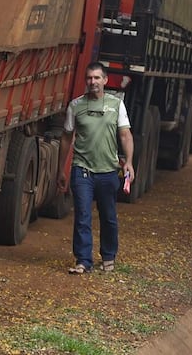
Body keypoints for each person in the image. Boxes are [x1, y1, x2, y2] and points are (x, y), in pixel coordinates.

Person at [58, 62, 135, 275]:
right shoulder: (76, 106)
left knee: (108, 216)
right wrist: (61, 168)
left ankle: (108, 256)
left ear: (105, 80)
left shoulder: (116, 104)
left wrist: (128, 161)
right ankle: (83, 260)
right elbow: (66, 137)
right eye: (90, 78)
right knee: (82, 214)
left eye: (97, 78)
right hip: (82, 169)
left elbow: (125, 135)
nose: (93, 82)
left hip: (108, 171)